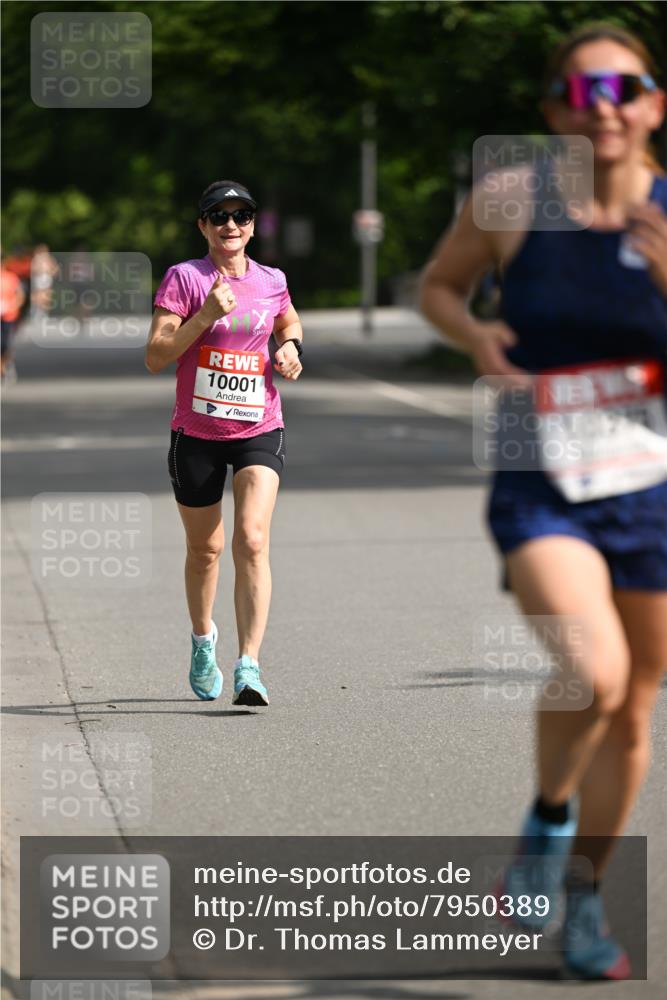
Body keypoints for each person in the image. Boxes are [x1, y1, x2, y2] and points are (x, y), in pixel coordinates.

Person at [420, 23, 667, 980]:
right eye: (579, 90)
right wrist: (475, 336)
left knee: (633, 712)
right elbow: (440, 288)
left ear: (653, 105)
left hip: (650, 481)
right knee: (593, 672)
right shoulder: (510, 201)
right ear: (553, 109)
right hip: (538, 474)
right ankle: (547, 820)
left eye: (622, 88)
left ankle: (584, 899)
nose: (601, 107)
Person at [146, 181, 303, 706]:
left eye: (241, 215)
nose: (230, 225)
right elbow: (156, 355)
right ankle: (202, 640)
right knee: (206, 549)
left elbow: (288, 321)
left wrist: (291, 347)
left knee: (252, 539)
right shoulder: (185, 278)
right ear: (203, 226)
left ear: (253, 225)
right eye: (219, 216)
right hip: (196, 434)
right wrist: (206, 315)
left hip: (259, 425)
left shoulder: (272, 279)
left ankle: (249, 665)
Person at [1, 251, 26, 380]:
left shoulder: (11, 278)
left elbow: (20, 296)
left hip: (9, 316)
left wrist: (12, 305)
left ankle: (4, 364)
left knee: (7, 344)